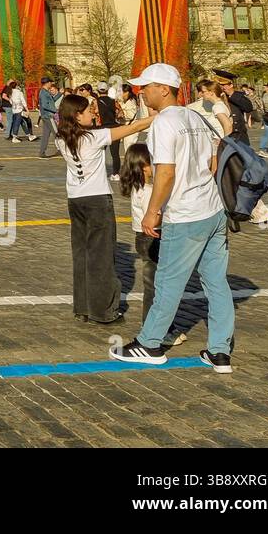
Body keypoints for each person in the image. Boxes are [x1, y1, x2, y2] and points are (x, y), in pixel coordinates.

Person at [111, 64, 235, 373]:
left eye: (147, 86)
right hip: (212, 209)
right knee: (216, 283)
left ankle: (149, 343)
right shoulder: (195, 117)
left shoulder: (165, 123)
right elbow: (213, 157)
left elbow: (165, 172)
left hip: (186, 213)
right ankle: (219, 351)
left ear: (164, 89)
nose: (142, 92)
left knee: (167, 281)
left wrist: (152, 212)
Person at [54, 92, 149, 323]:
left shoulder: (61, 139)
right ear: (77, 116)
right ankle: (104, 310)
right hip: (97, 199)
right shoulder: (93, 137)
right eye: (88, 111)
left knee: (82, 254)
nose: (93, 114)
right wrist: (156, 117)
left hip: (75, 199)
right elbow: (131, 128)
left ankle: (83, 307)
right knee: (102, 256)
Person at [118, 143, 188, 347]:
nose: (154, 168)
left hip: (143, 238)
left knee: (157, 283)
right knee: (157, 287)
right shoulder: (148, 191)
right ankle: (157, 328)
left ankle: (166, 326)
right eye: (150, 164)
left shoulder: (139, 188)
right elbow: (155, 218)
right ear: (141, 167)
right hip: (152, 238)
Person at [215, 69, 253, 146]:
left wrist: (231, 94)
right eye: (219, 85)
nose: (221, 87)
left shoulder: (238, 96)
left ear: (231, 85)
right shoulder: (216, 97)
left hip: (238, 135)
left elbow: (248, 107)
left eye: (223, 85)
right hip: (222, 134)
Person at [118, 82, 148, 159]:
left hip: (131, 127)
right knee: (127, 148)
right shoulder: (125, 101)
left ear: (127, 92)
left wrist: (122, 114)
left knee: (129, 148)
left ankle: (131, 166)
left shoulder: (131, 102)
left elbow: (130, 115)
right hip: (127, 126)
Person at [37, 78, 60, 158]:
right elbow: (45, 105)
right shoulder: (43, 93)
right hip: (49, 115)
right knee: (57, 133)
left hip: (46, 116)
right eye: (50, 82)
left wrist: (60, 94)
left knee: (46, 135)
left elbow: (51, 102)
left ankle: (42, 152)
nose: (51, 84)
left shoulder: (45, 92)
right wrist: (55, 110)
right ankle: (61, 150)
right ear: (47, 83)